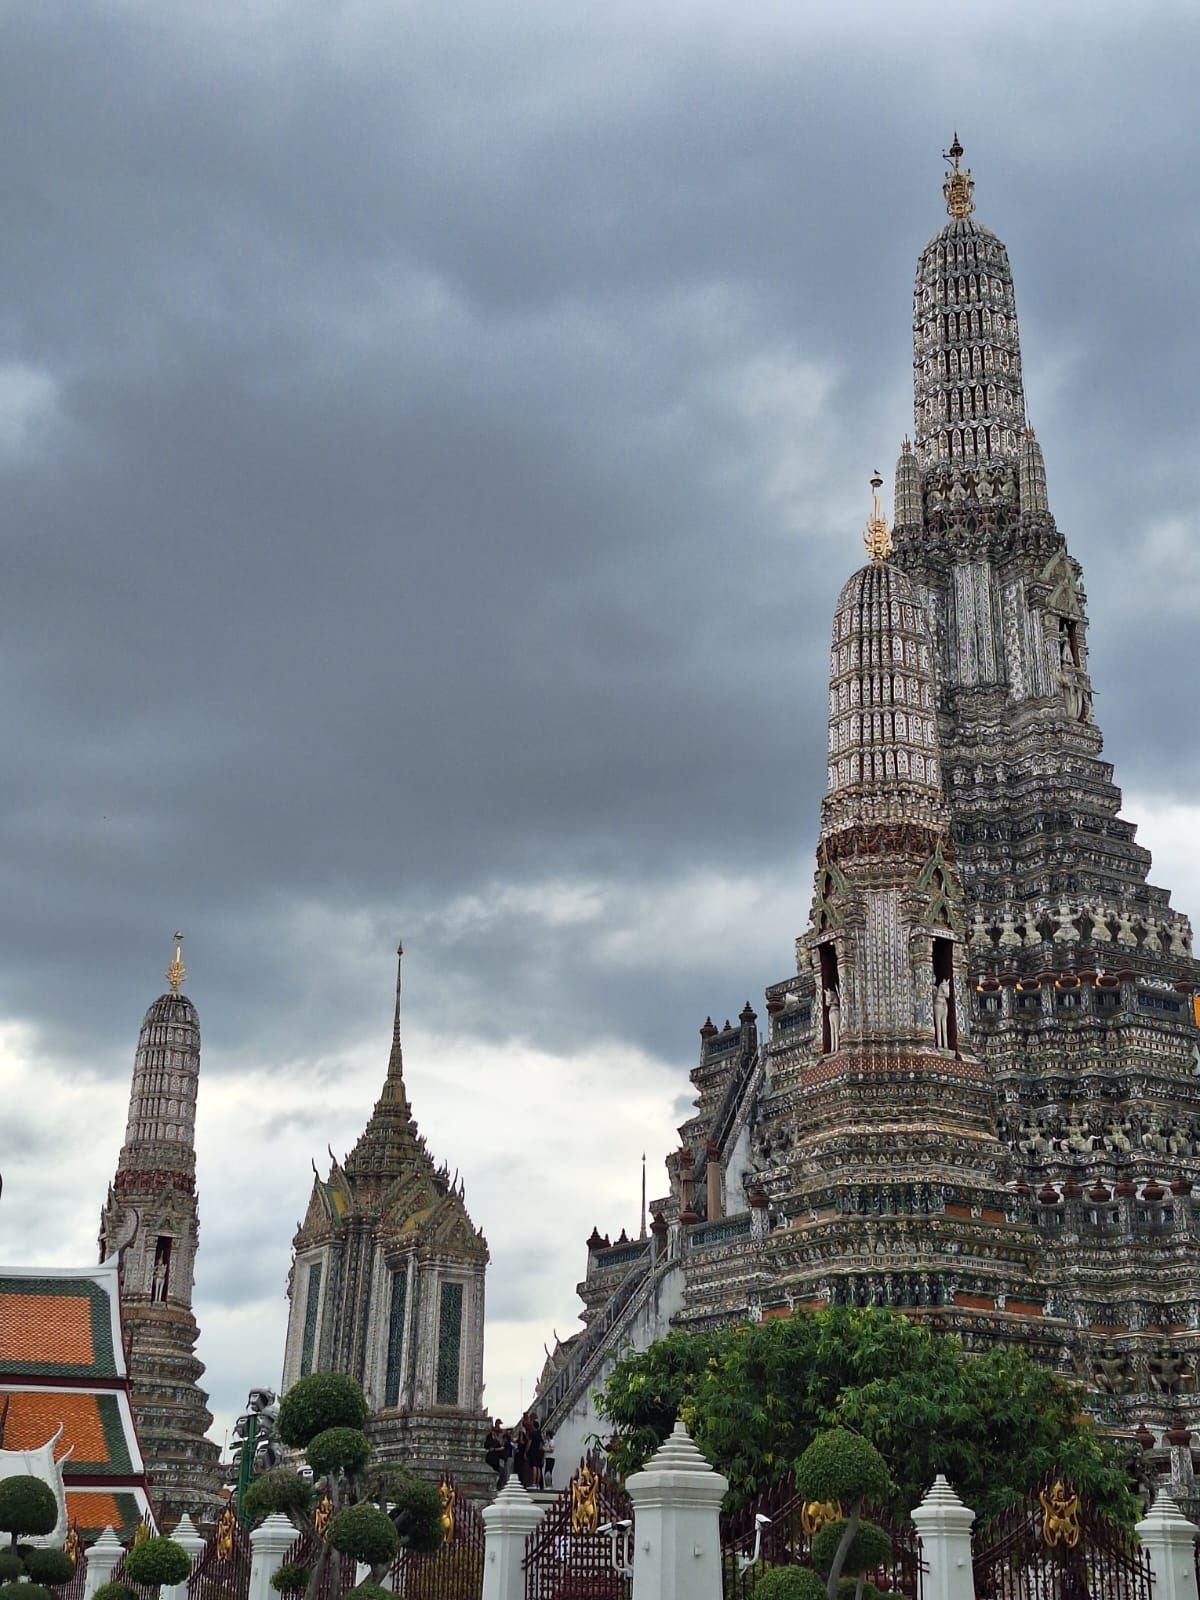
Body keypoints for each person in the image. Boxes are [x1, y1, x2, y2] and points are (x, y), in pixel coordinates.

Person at [484, 1419, 507, 1489]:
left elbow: (500, 1447)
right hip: (492, 1458)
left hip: (497, 1458)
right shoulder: (490, 1438)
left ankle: (499, 1485)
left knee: (502, 1472)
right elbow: (489, 1447)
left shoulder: (497, 1438)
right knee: (500, 1471)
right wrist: (496, 1449)